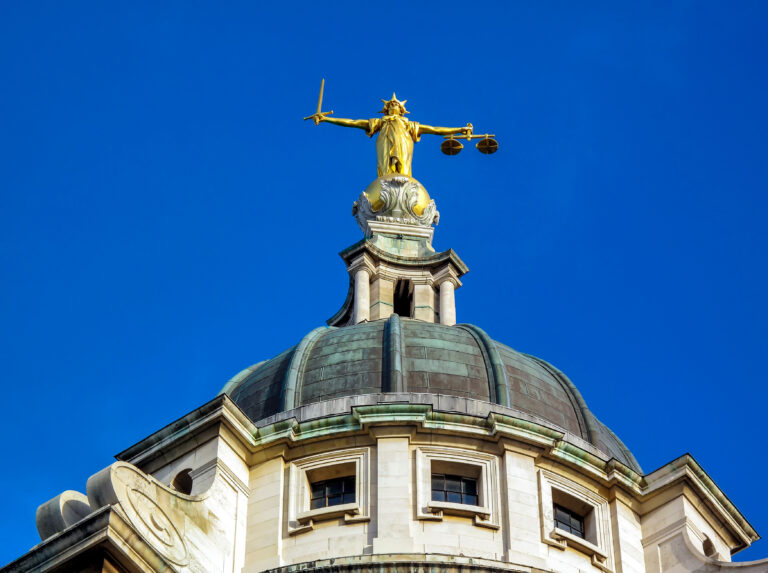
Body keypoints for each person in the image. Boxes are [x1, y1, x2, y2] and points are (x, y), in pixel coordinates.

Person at [310, 94, 472, 177]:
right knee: (385, 166)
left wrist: (458, 129)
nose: (393, 105)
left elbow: (434, 129)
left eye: (396, 104)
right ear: (386, 108)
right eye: (391, 104)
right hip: (384, 141)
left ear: (402, 109)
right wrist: (327, 119)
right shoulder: (380, 122)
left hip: (403, 141)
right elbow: (353, 122)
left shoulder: (408, 124)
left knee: (403, 168)